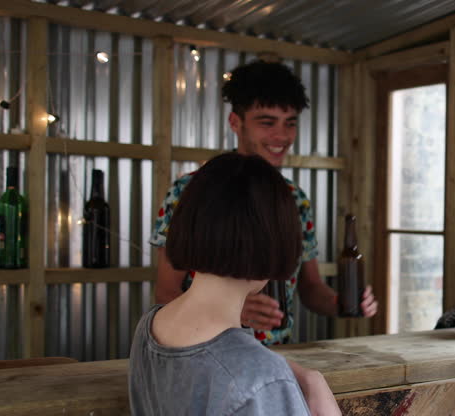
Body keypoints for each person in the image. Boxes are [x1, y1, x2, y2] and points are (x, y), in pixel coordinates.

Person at [130, 153, 345, 416]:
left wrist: (305, 375)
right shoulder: (261, 378)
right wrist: (282, 376)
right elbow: (241, 370)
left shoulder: (148, 330)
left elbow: (216, 362)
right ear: (275, 242)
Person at [150, 60, 377, 346]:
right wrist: (225, 310)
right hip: (206, 352)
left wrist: (342, 303)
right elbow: (165, 292)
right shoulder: (190, 191)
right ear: (235, 122)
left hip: (277, 358)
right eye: (267, 122)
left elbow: (310, 288)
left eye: (290, 123)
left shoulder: (295, 198)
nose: (282, 136)